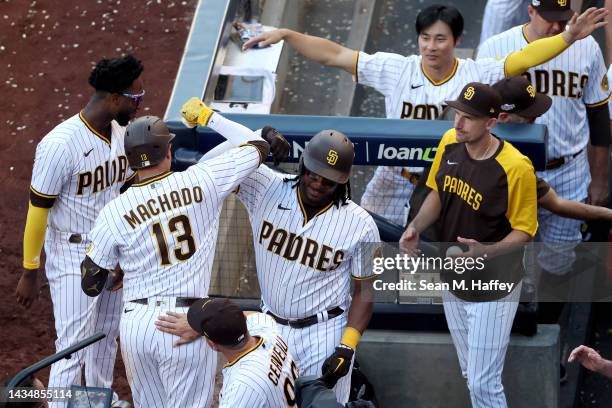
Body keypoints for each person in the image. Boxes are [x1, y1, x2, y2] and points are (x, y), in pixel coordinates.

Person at [244, 4, 608, 226]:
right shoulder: (397, 69)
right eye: (425, 38)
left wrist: (567, 38)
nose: (431, 47)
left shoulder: (474, 73)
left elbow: (524, 59)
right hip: (394, 179)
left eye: (440, 39)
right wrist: (288, 34)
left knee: (428, 268)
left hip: (447, 184)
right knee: (367, 251)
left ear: (456, 40)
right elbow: (335, 55)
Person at [158, 108, 381, 404]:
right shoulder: (266, 186)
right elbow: (207, 169)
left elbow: (366, 290)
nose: (317, 184)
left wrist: (347, 347)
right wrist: (256, 137)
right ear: (302, 166)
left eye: (327, 181)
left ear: (342, 181)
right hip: (269, 328)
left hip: (325, 332)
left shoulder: (363, 224)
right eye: (313, 175)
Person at [80, 103, 272, 407]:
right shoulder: (202, 179)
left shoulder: (113, 211)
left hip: (137, 327)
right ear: (168, 152)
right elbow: (261, 144)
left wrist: (122, 271)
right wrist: (210, 118)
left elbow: (90, 282)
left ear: (130, 160)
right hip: (187, 321)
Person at [14, 55, 143, 405]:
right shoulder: (59, 145)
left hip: (113, 250)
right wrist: (30, 270)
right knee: (71, 347)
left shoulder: (122, 135)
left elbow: (129, 192)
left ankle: (101, 399)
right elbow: (38, 211)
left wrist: (124, 251)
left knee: (105, 338)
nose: (138, 105)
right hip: (73, 252)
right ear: (114, 98)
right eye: (134, 98)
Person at [400, 82, 538, 407]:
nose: (458, 123)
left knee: (482, 382)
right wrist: (416, 226)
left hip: (494, 284)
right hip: (453, 276)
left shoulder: (516, 168)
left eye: (469, 118)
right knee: (470, 374)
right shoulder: (450, 142)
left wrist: (485, 251)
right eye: (457, 114)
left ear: (491, 122)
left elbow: (525, 231)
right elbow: (437, 190)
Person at [478, 0, 611, 283]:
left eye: (563, 19)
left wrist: (599, 179)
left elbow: (599, 117)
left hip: (568, 170)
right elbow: (479, 114)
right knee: (504, 251)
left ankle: (545, 316)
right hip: (509, 170)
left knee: (560, 257)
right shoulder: (497, 47)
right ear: (530, 11)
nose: (556, 26)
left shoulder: (587, 47)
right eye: (549, 18)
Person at [185, 298, 299, 408]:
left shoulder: (242, 386)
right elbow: (253, 316)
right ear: (244, 319)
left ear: (212, 345)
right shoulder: (268, 329)